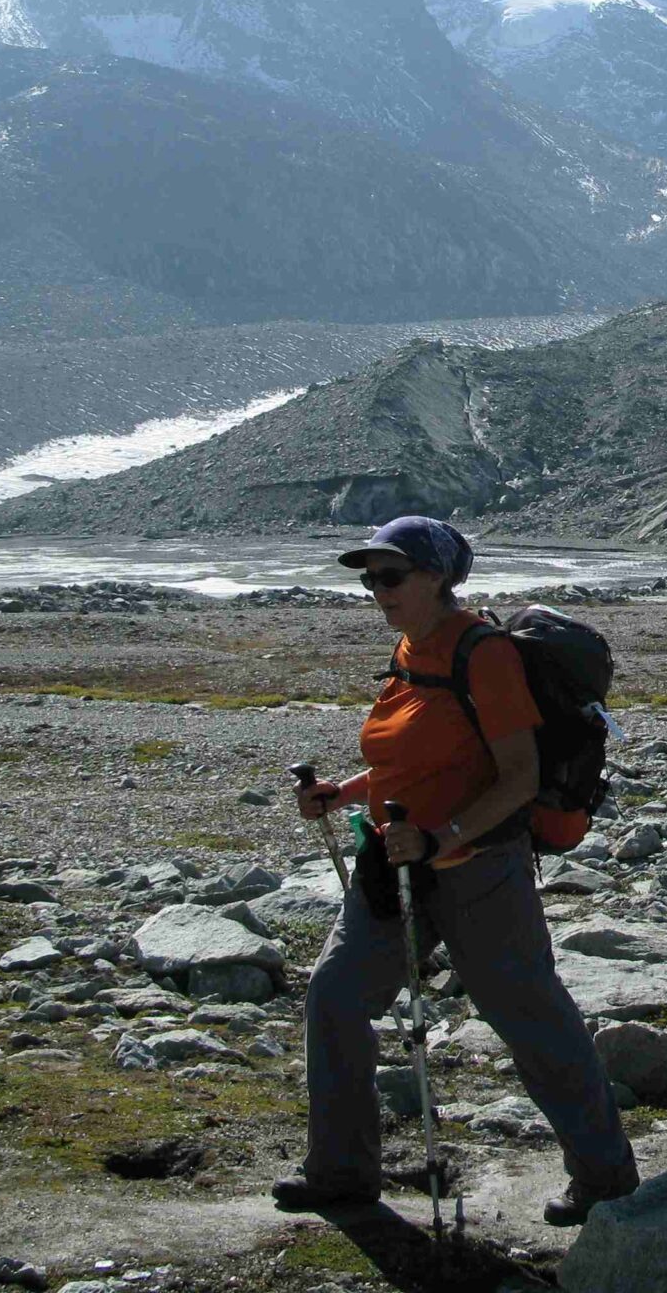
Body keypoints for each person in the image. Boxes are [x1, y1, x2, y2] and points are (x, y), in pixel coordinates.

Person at [276, 516, 638, 1226]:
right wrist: (345, 794)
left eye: (390, 575)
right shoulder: (411, 649)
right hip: (396, 861)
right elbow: (411, 760)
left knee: (531, 1017)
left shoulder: (484, 652)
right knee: (336, 997)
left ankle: (606, 1176)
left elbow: (518, 776)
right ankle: (341, 1174)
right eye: (369, 577)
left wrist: (440, 838)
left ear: (437, 577)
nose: (376, 589)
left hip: (479, 870)